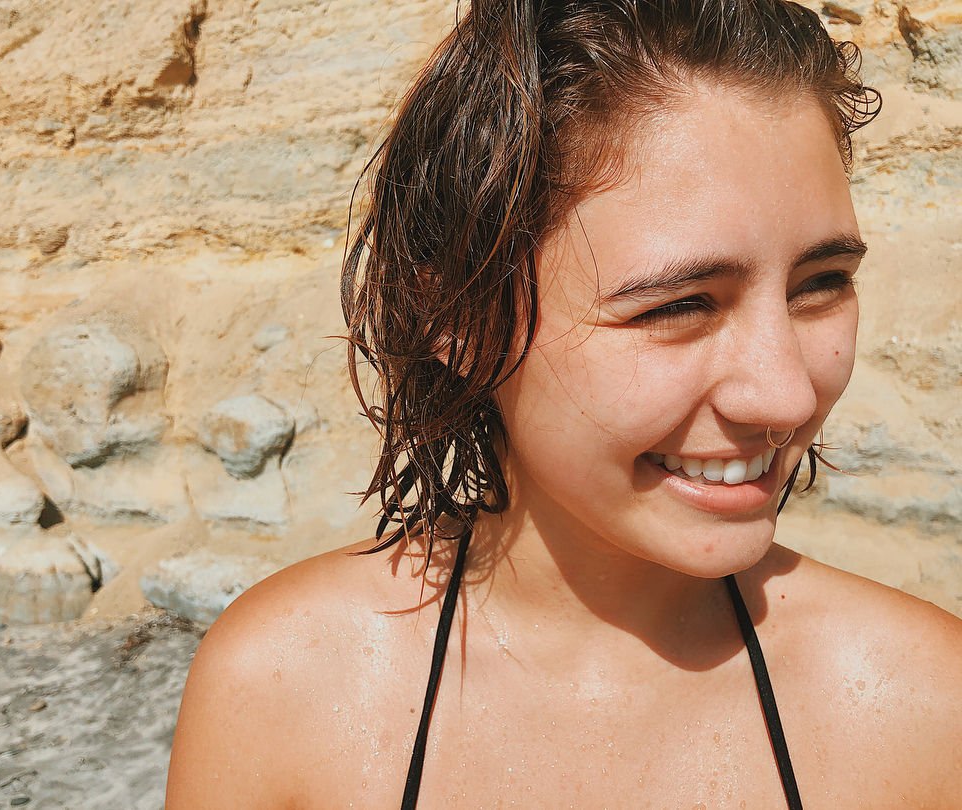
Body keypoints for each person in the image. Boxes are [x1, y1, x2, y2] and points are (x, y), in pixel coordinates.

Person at [165, 1, 962, 807]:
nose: (785, 395)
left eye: (821, 284)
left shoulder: (921, 707)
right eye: (679, 305)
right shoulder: (281, 692)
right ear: (458, 319)